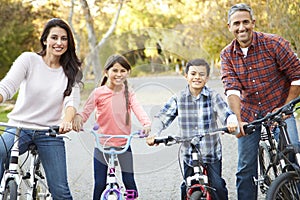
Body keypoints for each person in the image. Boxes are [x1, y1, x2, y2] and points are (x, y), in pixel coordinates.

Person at [220, 3, 300, 200]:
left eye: (245, 22)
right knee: (245, 168)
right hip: (249, 113)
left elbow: (297, 76)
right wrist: (237, 120)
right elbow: (232, 88)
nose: (242, 28)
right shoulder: (227, 55)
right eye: (236, 23)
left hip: (279, 107)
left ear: (253, 23)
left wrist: (285, 107)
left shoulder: (274, 44)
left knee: (293, 153)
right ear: (229, 27)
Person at [0, 18, 82, 199]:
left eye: (64, 38)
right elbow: (7, 87)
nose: (59, 43)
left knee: (60, 191)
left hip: (49, 132)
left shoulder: (71, 71)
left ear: (69, 43)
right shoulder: (28, 60)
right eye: (54, 37)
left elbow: (71, 102)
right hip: (19, 128)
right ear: (45, 40)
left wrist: (67, 121)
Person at [146, 58, 239, 200]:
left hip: (210, 151)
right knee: (186, 187)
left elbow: (226, 113)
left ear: (207, 78)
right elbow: (162, 117)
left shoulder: (213, 97)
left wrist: (231, 122)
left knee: (217, 186)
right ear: (186, 76)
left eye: (201, 74)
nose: (197, 77)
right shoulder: (179, 98)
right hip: (188, 153)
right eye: (193, 73)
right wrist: (154, 134)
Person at [72, 54, 151, 200]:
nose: (119, 74)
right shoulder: (98, 93)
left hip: (123, 144)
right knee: (100, 184)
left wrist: (146, 123)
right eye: (115, 70)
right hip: (102, 144)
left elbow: (138, 109)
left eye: (123, 71)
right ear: (106, 72)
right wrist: (78, 120)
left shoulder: (128, 93)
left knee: (129, 182)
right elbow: (85, 112)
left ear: (128, 73)